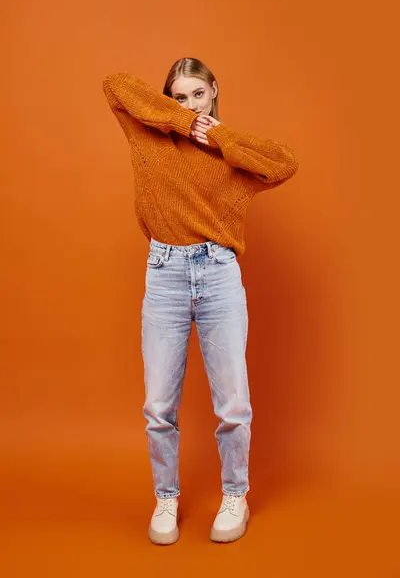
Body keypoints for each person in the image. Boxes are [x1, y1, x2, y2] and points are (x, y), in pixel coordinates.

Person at [102, 57, 299, 545]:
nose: (190, 103)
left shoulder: (232, 156)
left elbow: (284, 162)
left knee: (233, 402)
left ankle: (236, 494)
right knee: (158, 405)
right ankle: (165, 497)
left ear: (214, 91)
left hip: (218, 275)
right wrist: (184, 121)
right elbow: (114, 84)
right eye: (179, 95)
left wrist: (222, 138)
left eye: (198, 94)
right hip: (165, 274)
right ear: (169, 98)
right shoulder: (149, 136)